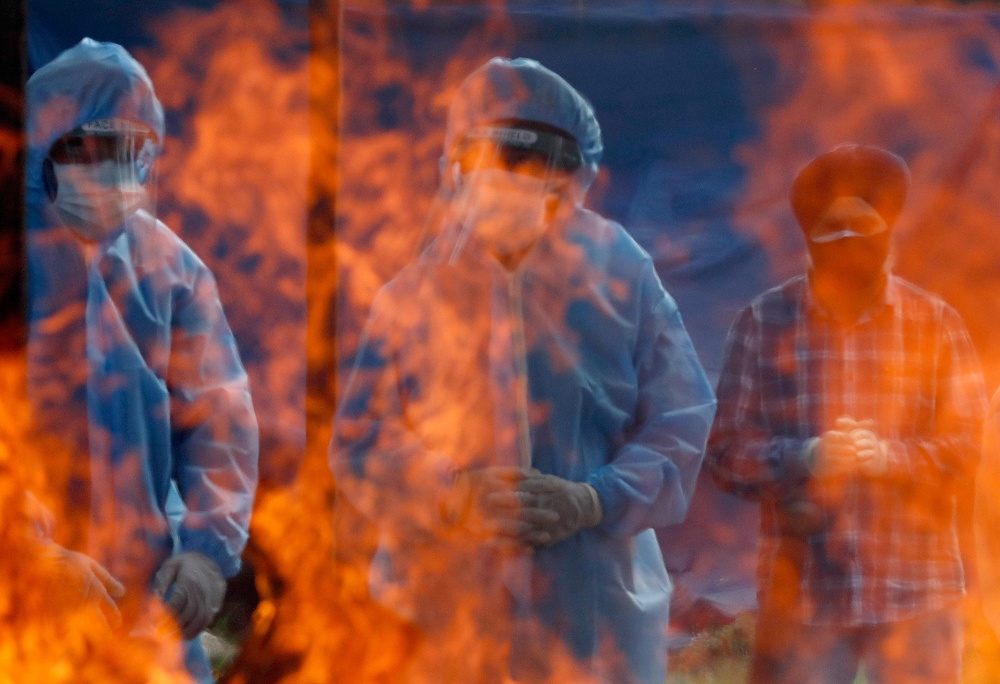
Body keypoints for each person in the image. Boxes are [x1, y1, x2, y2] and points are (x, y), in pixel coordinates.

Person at [331, 57, 716, 683]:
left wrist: (595, 499)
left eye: (535, 172)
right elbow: (361, 439)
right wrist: (452, 493)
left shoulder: (622, 276)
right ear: (457, 172)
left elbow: (682, 416)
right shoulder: (414, 294)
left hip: (597, 612)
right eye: (495, 168)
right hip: (442, 606)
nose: (512, 187)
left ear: (573, 181)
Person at [707, 144, 986, 683]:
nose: (849, 243)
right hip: (807, 595)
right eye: (832, 228)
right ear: (808, 237)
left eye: (865, 224)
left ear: (890, 229)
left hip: (918, 590)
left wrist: (890, 459)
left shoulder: (935, 324)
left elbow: (972, 448)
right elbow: (724, 453)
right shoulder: (763, 323)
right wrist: (806, 457)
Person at [26, 38, 259, 683]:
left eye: (129, 151)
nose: (109, 171)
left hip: (143, 612)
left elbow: (220, 421)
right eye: (87, 149)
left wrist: (208, 553)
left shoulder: (171, 270)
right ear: (41, 146)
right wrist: (22, 557)